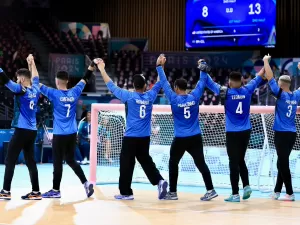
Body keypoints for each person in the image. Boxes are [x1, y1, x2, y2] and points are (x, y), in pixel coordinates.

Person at [95, 58, 168, 200]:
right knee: (146, 161)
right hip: (145, 137)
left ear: (134, 86)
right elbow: (160, 82)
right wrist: (161, 66)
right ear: (145, 85)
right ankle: (159, 181)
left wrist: (102, 69)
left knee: (126, 164)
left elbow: (110, 85)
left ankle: (126, 192)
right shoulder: (150, 96)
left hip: (131, 137)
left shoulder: (128, 96)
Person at [155, 55, 217, 201]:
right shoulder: (194, 97)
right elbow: (202, 82)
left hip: (181, 138)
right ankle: (211, 190)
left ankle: (173, 193)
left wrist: (159, 66)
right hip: (195, 137)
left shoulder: (173, 98)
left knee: (173, 163)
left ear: (176, 88)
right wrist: (202, 65)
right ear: (186, 87)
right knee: (201, 164)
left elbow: (163, 82)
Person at [203, 61, 265, 202]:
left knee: (233, 162)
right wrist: (266, 62)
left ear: (230, 82)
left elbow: (208, 82)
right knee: (240, 159)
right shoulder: (248, 89)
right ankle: (247, 185)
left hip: (232, 132)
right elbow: (260, 76)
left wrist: (203, 68)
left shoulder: (226, 92)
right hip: (246, 131)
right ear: (242, 81)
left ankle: (235, 194)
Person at [39, 62, 96, 199]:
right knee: (71, 160)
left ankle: (56, 190)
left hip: (59, 134)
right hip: (72, 133)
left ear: (57, 81)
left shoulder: (54, 93)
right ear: (68, 81)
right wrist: (92, 66)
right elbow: (85, 78)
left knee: (58, 162)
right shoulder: (75, 91)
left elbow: (36, 83)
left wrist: (31, 65)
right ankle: (86, 183)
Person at [0, 54, 41, 200]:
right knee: (30, 161)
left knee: (10, 160)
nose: (17, 80)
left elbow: (5, 80)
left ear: (22, 79)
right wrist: (32, 62)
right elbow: (36, 76)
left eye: (18, 78)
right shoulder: (36, 89)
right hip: (32, 131)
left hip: (21, 130)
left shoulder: (20, 89)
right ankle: (36, 192)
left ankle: (5, 191)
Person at [264, 55, 299, 201]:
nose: (276, 84)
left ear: (281, 84)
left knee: (283, 163)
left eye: (278, 83)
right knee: (281, 162)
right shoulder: (296, 95)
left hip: (281, 134)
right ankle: (277, 191)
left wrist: (266, 61)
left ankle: (290, 193)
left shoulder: (281, 95)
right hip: (292, 134)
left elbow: (269, 77)